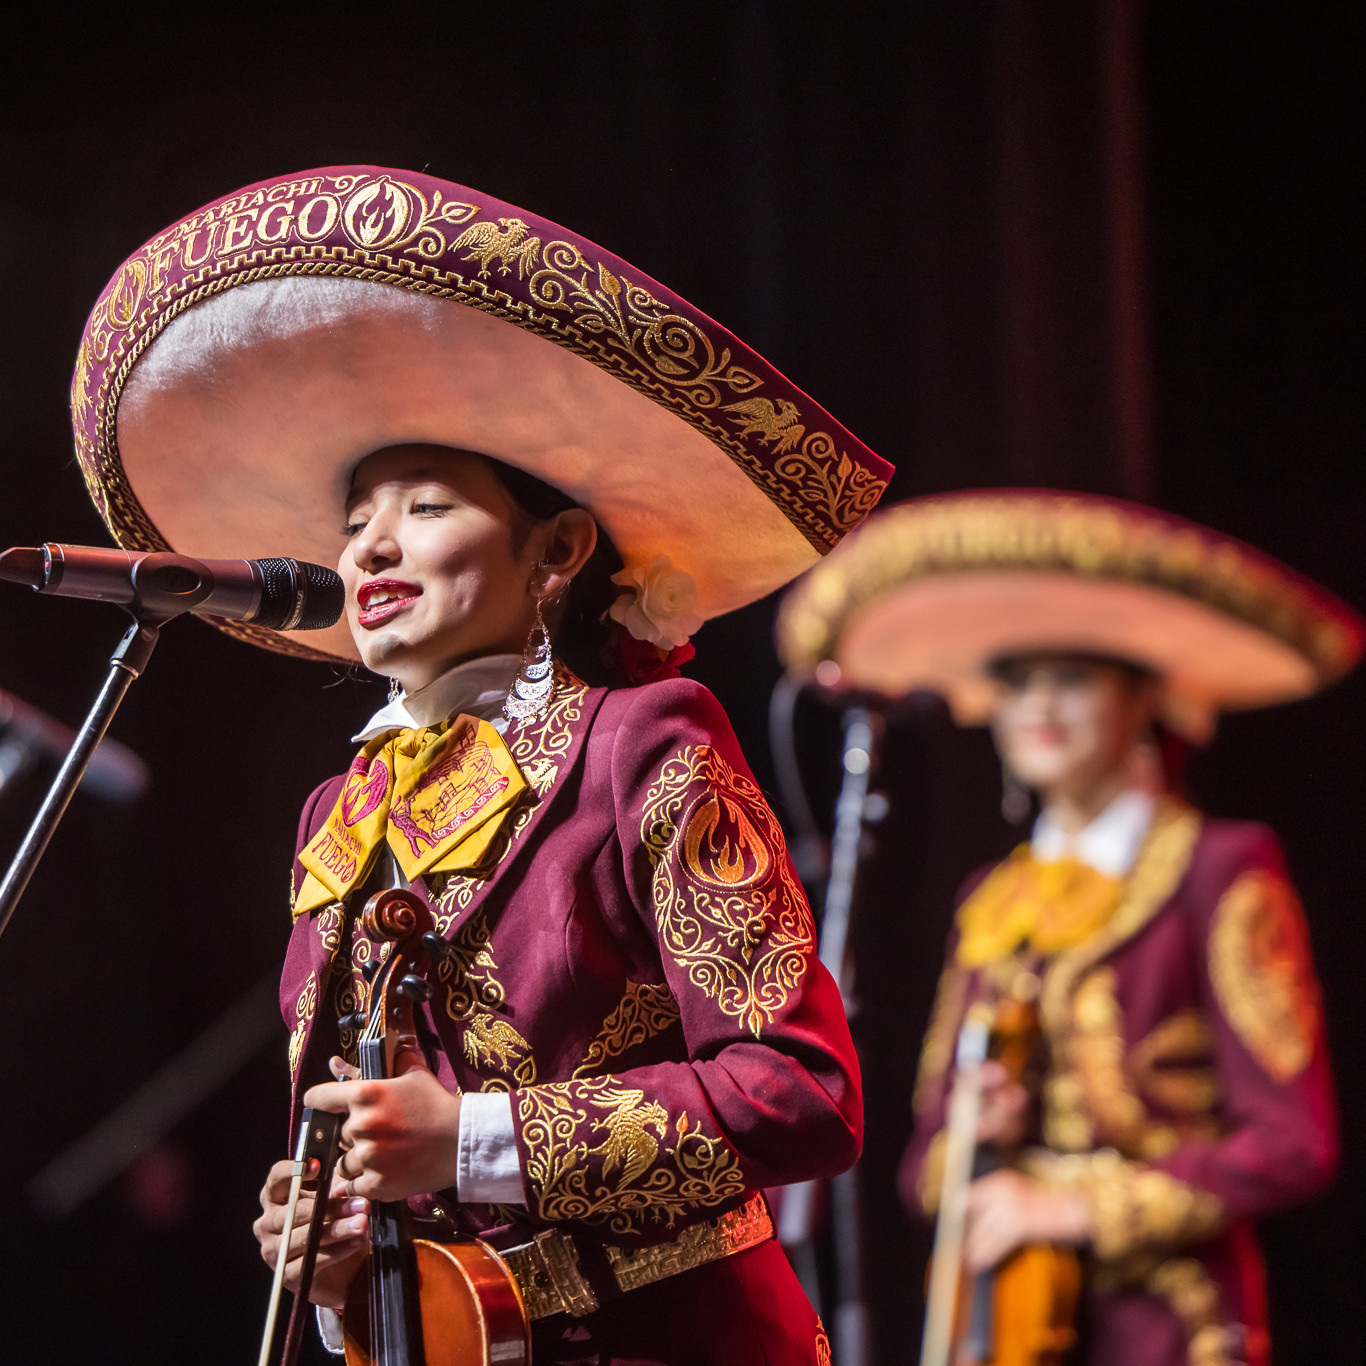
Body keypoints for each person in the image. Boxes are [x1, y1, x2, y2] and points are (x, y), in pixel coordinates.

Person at [70, 165, 894, 1363]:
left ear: (556, 548)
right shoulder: (333, 813)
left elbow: (803, 1092)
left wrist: (466, 1137)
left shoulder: (643, 739)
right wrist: (337, 1235)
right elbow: (380, 1135)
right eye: (354, 521)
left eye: (422, 506)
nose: (371, 545)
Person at [776, 490, 1362, 1366]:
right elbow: (923, 1167)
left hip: (1169, 1331)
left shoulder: (1217, 867)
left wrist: (1076, 1205)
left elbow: (1291, 1143)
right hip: (1004, 1330)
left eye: (1074, 676)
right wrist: (975, 1132)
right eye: (1017, 682)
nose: (1039, 704)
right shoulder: (992, 898)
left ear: (1142, 702)